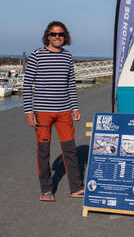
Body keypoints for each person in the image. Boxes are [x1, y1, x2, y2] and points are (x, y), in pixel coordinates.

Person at [23, 21, 84, 202]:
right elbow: (27, 85)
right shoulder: (36, 55)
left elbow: (71, 86)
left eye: (60, 34)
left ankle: (76, 188)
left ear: (65, 37)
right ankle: (46, 190)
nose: (57, 37)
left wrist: (75, 108)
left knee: (70, 150)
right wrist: (28, 111)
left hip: (64, 112)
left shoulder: (67, 57)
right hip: (42, 112)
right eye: (53, 34)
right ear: (47, 36)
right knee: (43, 152)